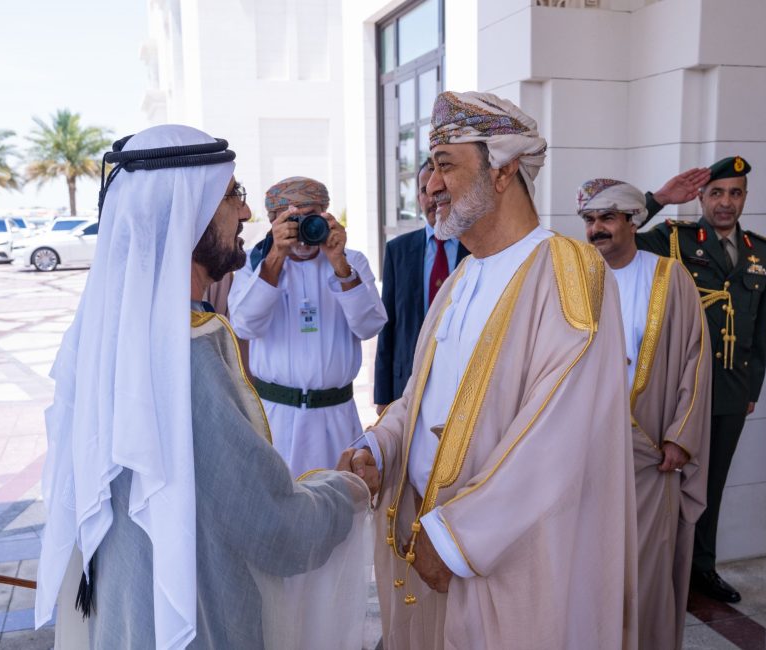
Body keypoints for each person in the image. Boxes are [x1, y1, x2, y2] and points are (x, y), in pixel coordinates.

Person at [34, 126, 374, 650]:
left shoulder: (115, 336)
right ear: (187, 211)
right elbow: (274, 528)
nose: (245, 215)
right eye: (233, 196)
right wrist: (350, 491)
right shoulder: (184, 355)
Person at [342, 91, 638, 649]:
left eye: (446, 164)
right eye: (428, 168)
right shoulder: (462, 277)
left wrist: (457, 539)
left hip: (508, 561)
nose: (428, 185)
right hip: (428, 546)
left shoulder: (570, 272)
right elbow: (421, 397)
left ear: (502, 171)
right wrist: (380, 446)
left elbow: (558, 438)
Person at [578, 178, 711, 650]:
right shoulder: (576, 280)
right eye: (590, 220)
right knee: (590, 566)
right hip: (587, 452)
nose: (597, 229)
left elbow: (696, 359)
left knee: (646, 566)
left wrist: (681, 434)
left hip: (652, 454)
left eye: (607, 218)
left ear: (633, 221)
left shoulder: (669, 277)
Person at [636, 156, 766, 603]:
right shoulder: (672, 239)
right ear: (700, 196)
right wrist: (657, 199)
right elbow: (615, 238)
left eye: (735, 193)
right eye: (716, 192)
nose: (726, 202)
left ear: (745, 198)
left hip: (731, 389)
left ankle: (701, 568)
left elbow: (759, 327)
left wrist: (751, 390)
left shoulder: (760, 253)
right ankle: (657, 569)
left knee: (711, 484)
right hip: (679, 390)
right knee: (665, 483)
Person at [227, 176, 387, 477]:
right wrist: (275, 258)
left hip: (337, 420)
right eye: (290, 219)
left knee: (344, 514)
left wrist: (339, 265)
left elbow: (369, 326)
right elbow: (245, 325)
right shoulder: (254, 264)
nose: (301, 230)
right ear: (274, 221)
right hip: (276, 420)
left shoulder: (351, 262)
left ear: (326, 215)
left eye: (309, 218)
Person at [374, 160, 470, 414]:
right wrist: (383, 396)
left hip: (461, 380)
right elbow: (388, 326)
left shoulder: (476, 250)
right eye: (425, 190)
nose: (432, 198)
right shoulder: (398, 251)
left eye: (440, 190)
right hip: (407, 382)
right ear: (418, 197)